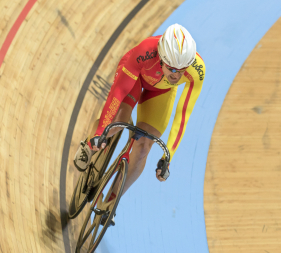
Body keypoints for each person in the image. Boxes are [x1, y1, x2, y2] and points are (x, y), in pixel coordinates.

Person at [73, 24, 205, 224]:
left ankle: (112, 200)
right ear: (161, 57)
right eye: (171, 69)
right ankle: (90, 146)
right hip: (135, 78)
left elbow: (183, 113)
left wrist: (168, 156)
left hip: (160, 92)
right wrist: (101, 131)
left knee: (143, 146)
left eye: (181, 70)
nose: (176, 75)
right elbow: (117, 93)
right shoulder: (144, 52)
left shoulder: (197, 70)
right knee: (117, 124)